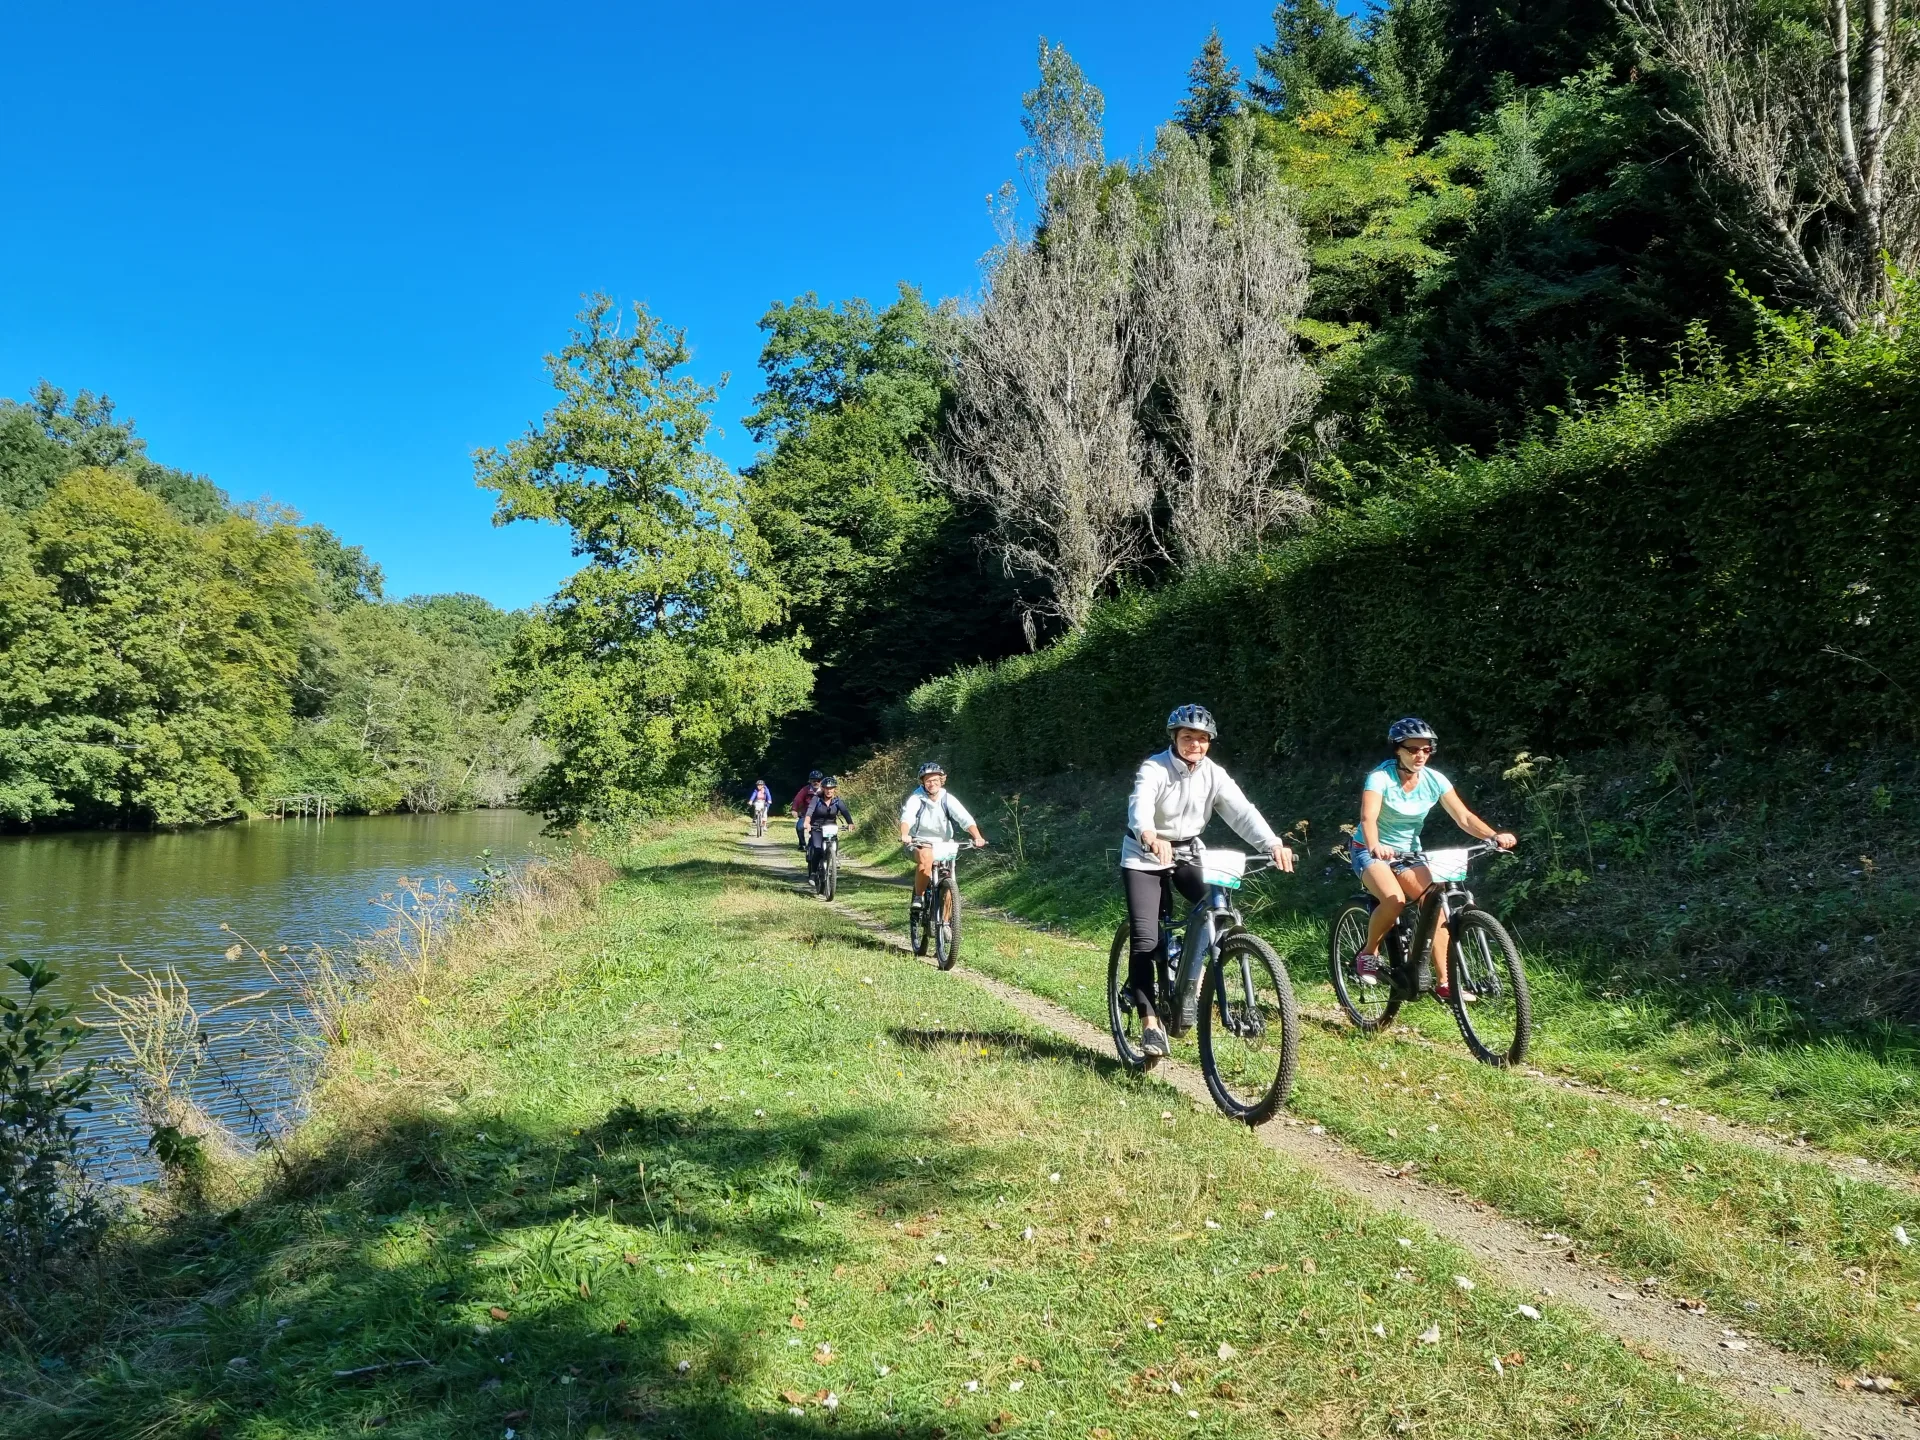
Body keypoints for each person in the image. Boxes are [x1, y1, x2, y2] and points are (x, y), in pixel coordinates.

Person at [1122, 704, 1294, 1056]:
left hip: (1188, 852)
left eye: (1202, 739)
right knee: (1146, 938)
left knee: (1216, 904)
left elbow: (1241, 811)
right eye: (1188, 737)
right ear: (1175, 738)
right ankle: (1150, 1024)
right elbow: (1140, 804)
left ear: (1209, 742)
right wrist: (1150, 835)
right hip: (1144, 854)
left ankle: (1187, 969)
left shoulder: (1213, 774)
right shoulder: (1154, 767)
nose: (1195, 745)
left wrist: (1273, 843)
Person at [1349, 718, 1516, 1001]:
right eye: (1412, 749)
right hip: (1369, 849)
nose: (1420, 756)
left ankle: (1445, 983)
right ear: (1397, 750)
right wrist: (1376, 845)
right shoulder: (1380, 778)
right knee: (1394, 900)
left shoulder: (1435, 780)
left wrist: (1493, 836)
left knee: (1436, 905)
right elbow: (1369, 818)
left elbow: (1464, 817)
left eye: (1426, 750)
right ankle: (1368, 954)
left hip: (1409, 853)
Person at [899, 762, 988, 909]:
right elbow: (907, 817)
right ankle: (919, 897)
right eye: (928, 781)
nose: (932, 784)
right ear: (922, 782)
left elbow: (964, 818)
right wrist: (905, 834)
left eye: (935, 780)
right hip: (919, 842)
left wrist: (977, 837)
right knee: (926, 856)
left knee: (947, 876)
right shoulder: (916, 798)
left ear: (941, 780)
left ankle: (946, 925)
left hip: (943, 844)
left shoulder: (948, 799)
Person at [803, 777, 855, 875]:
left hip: (830, 827)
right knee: (818, 850)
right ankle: (813, 873)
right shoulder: (816, 799)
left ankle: (833, 858)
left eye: (831, 788)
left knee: (833, 845)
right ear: (823, 788)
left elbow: (845, 812)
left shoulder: (837, 801)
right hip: (817, 827)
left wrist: (850, 823)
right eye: (826, 788)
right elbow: (810, 811)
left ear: (834, 789)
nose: (829, 790)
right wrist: (807, 822)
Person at [791, 770, 824, 850]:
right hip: (806, 814)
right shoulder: (805, 790)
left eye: (818, 780)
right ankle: (802, 844)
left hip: (821, 815)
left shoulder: (825, 790)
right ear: (810, 781)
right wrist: (794, 809)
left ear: (821, 781)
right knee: (799, 827)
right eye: (813, 780)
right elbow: (797, 799)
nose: (816, 782)